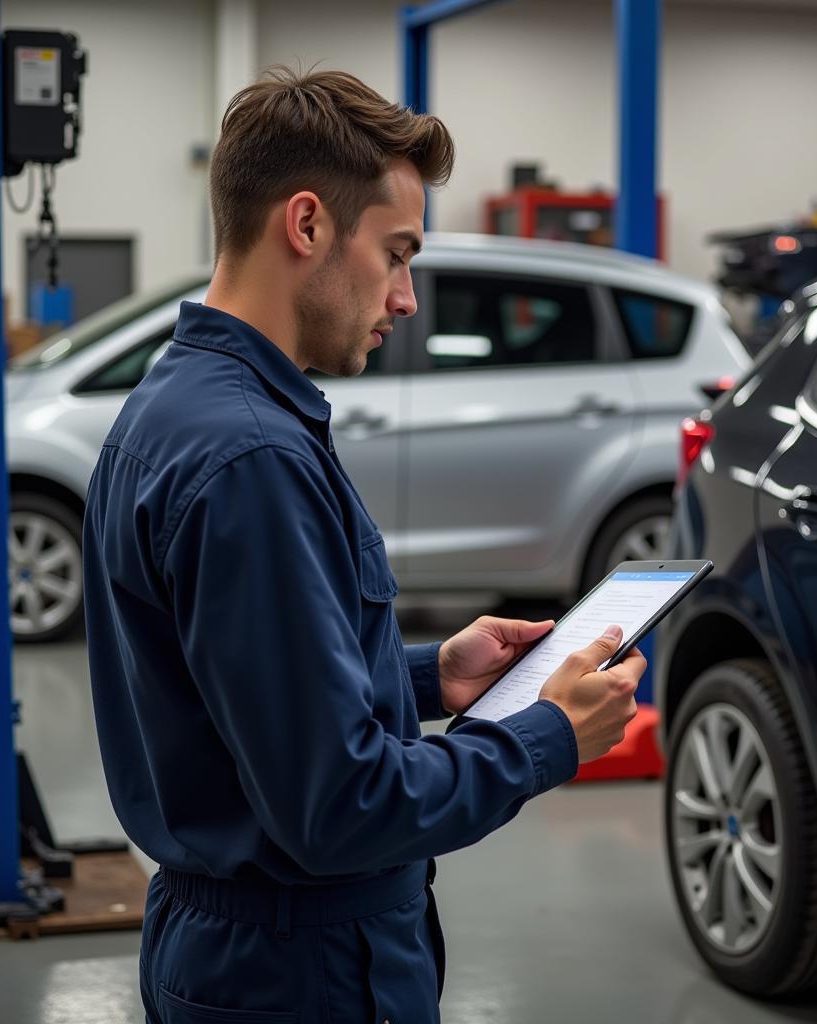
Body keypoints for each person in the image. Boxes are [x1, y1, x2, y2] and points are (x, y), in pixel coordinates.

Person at [82, 66, 645, 1024]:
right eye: (396, 254)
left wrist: (429, 677)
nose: (408, 298)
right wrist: (546, 737)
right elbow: (342, 808)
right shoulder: (250, 457)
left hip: (233, 946)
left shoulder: (175, 409)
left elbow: (233, 691)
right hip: (303, 971)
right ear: (306, 226)